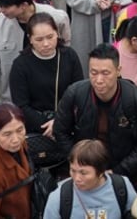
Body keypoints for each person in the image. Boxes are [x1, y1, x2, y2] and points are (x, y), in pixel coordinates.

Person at [53, 43, 137, 189]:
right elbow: (60, 131)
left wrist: (118, 171)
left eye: (105, 73)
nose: (99, 80)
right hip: (84, 168)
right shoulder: (75, 94)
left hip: (126, 172)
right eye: (93, 73)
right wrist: (80, 163)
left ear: (118, 71)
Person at [9, 13, 84, 156]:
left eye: (50, 37)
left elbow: (79, 94)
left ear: (57, 34)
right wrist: (47, 124)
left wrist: (59, 122)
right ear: (30, 39)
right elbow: (21, 105)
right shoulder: (21, 65)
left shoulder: (69, 56)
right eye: (39, 39)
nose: (46, 44)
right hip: (36, 129)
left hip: (68, 123)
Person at [43, 140, 137, 219]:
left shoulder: (121, 187)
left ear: (101, 172)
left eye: (83, 173)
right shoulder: (59, 196)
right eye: (73, 170)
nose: (76, 178)